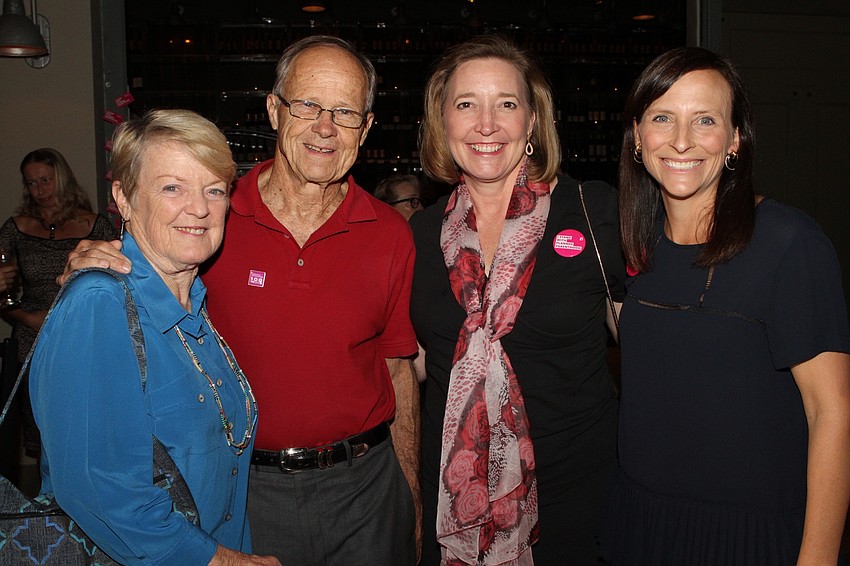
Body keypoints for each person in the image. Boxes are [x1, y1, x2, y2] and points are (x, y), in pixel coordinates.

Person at [61, 35, 421, 565]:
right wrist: (100, 260)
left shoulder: (390, 232)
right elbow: (142, 277)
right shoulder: (212, 220)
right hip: (248, 495)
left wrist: (409, 492)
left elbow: (397, 366)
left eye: (345, 112)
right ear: (275, 110)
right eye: (308, 105)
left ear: (365, 129)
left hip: (368, 491)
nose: (325, 127)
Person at [599, 47, 850, 565]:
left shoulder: (788, 242)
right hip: (642, 526)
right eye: (663, 118)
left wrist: (818, 558)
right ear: (638, 137)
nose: (682, 140)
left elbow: (833, 413)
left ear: (735, 140)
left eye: (705, 120)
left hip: (749, 536)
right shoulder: (634, 245)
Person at [30, 110, 279, 564]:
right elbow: (98, 487)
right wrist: (220, 560)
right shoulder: (99, 304)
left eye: (214, 190)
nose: (200, 208)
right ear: (123, 198)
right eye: (172, 187)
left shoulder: (195, 302)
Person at [410, 35, 624, 565]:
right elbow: (407, 367)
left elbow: (658, 349)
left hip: (581, 497)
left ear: (532, 121)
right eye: (466, 105)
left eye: (506, 103)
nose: (487, 124)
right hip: (458, 501)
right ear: (442, 121)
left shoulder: (594, 212)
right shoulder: (415, 234)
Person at [0, 147, 116, 457]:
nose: (39, 190)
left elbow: (121, 283)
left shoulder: (95, 226)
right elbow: (3, 292)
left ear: (62, 179)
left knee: (86, 435)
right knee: (44, 439)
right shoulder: (15, 228)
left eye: (46, 180)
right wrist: (27, 317)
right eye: (32, 183)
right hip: (32, 342)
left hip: (84, 342)